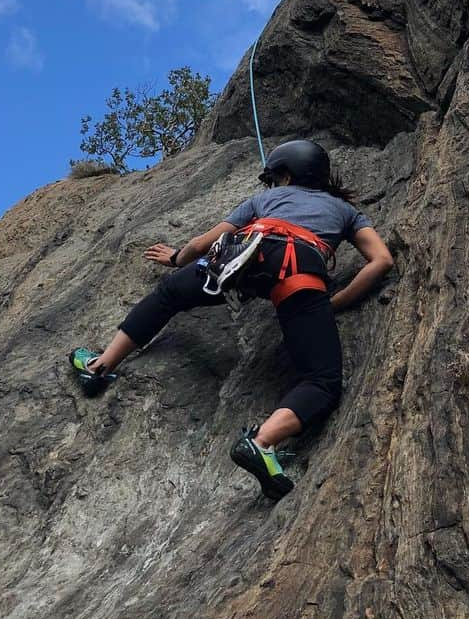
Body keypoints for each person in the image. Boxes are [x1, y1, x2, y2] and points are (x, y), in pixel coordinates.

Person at [70, 140, 393, 501]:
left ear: (285, 175)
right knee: (322, 381)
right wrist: (334, 303)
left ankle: (100, 365)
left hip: (245, 256)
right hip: (297, 274)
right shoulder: (345, 211)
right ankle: (263, 443)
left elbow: (206, 241)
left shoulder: (264, 201)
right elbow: (381, 260)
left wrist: (177, 259)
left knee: (170, 294)